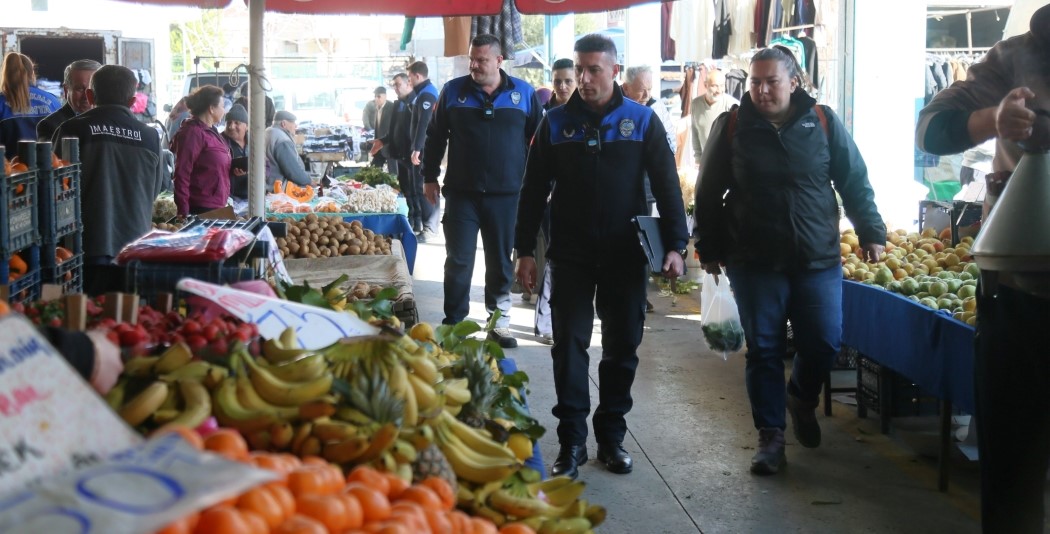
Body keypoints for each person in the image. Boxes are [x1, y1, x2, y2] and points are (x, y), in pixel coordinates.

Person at [694, 46, 885, 476]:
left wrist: (872, 230)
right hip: (753, 258)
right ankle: (771, 437)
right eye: (754, 82)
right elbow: (708, 192)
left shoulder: (821, 122)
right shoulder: (734, 126)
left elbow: (854, 179)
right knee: (764, 349)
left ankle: (800, 397)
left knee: (824, 340)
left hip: (816, 257)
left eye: (771, 81)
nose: (761, 90)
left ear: (794, 82)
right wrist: (707, 246)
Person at [515, 34, 688, 480]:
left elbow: (668, 187)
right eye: (581, 70)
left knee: (621, 349)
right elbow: (532, 192)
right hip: (569, 255)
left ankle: (611, 437)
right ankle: (571, 442)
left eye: (595, 70)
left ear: (615, 71)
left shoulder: (643, 121)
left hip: (624, 255)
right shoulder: (553, 124)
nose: (585, 79)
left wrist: (676, 245)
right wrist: (523, 252)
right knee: (568, 348)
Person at [916, 5, 1050, 532]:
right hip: (1023, 298)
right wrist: (992, 119)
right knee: (1014, 482)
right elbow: (930, 130)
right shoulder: (1015, 57)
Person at [423, 34, 543, 349]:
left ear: (499, 61)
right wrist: (429, 176)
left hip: (507, 196)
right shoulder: (452, 92)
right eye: (472, 59)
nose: (474, 65)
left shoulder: (524, 94)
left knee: (501, 261)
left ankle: (499, 322)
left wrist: (542, 185)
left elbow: (540, 144)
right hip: (462, 194)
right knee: (459, 260)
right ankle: (455, 323)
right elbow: (435, 136)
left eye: (482, 60)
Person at [54, 65, 165, 296]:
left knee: (88, 321)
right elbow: (153, 192)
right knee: (128, 323)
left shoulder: (72, 129)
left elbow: (54, 190)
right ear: (133, 101)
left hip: (84, 250)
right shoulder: (150, 136)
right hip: (136, 250)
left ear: (91, 95)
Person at [622, 64, 677, 314]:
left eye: (649, 90)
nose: (646, 96)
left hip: (648, 188)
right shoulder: (616, 109)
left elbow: (671, 141)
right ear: (626, 87)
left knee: (644, 243)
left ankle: (640, 295)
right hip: (623, 190)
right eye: (641, 90)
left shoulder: (656, 108)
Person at [170, 85, 231, 216]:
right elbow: (182, 173)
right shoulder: (193, 133)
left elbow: (211, 163)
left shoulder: (212, 131)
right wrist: (183, 211)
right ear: (211, 109)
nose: (224, 111)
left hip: (217, 203)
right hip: (201, 207)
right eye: (222, 106)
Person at [0, 52, 61, 159]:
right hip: (48, 169)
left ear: (5, 74)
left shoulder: (1, 103)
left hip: (11, 171)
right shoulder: (53, 101)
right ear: (32, 73)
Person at [409, 61, 440, 240]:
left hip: (425, 149)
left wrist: (417, 148)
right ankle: (427, 225)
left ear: (418, 75)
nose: (409, 81)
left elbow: (424, 123)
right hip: (422, 148)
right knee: (421, 186)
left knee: (425, 186)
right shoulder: (422, 93)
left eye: (410, 77)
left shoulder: (427, 94)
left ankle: (430, 228)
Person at [37, 59, 101, 143]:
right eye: (80, 89)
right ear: (66, 90)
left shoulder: (108, 122)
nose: (86, 96)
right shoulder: (50, 125)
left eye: (92, 89)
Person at [690, 68, 738, 166]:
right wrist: (698, 159)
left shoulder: (732, 105)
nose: (719, 90)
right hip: (705, 164)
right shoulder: (695, 104)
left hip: (728, 164)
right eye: (714, 86)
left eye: (722, 86)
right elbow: (695, 132)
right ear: (705, 85)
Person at [265, 109, 312, 188]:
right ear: (283, 124)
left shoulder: (268, 132)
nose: (295, 126)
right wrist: (309, 181)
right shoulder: (282, 139)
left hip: (268, 186)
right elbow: (293, 172)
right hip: (279, 189)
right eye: (293, 122)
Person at [365, 86, 397, 174]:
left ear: (385, 96)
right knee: (373, 171)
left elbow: (395, 127)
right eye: (375, 96)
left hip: (389, 145)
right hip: (379, 145)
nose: (376, 99)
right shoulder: (376, 108)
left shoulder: (392, 107)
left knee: (393, 173)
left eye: (379, 96)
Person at [222, 103, 249, 201]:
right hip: (230, 198)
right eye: (229, 122)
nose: (231, 126)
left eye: (237, 123)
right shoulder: (219, 142)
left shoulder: (255, 143)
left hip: (252, 195)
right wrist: (231, 171)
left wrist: (251, 172)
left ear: (246, 126)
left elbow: (266, 166)